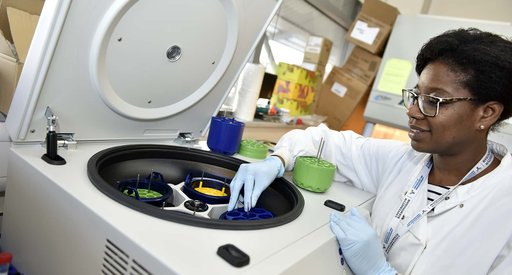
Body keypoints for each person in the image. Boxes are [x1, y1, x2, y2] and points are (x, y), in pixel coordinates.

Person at [228, 28, 512, 274]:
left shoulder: (504, 205)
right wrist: (278, 160)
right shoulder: (405, 161)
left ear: (486, 113)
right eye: (415, 95)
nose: (412, 111)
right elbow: (320, 141)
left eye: (435, 100)